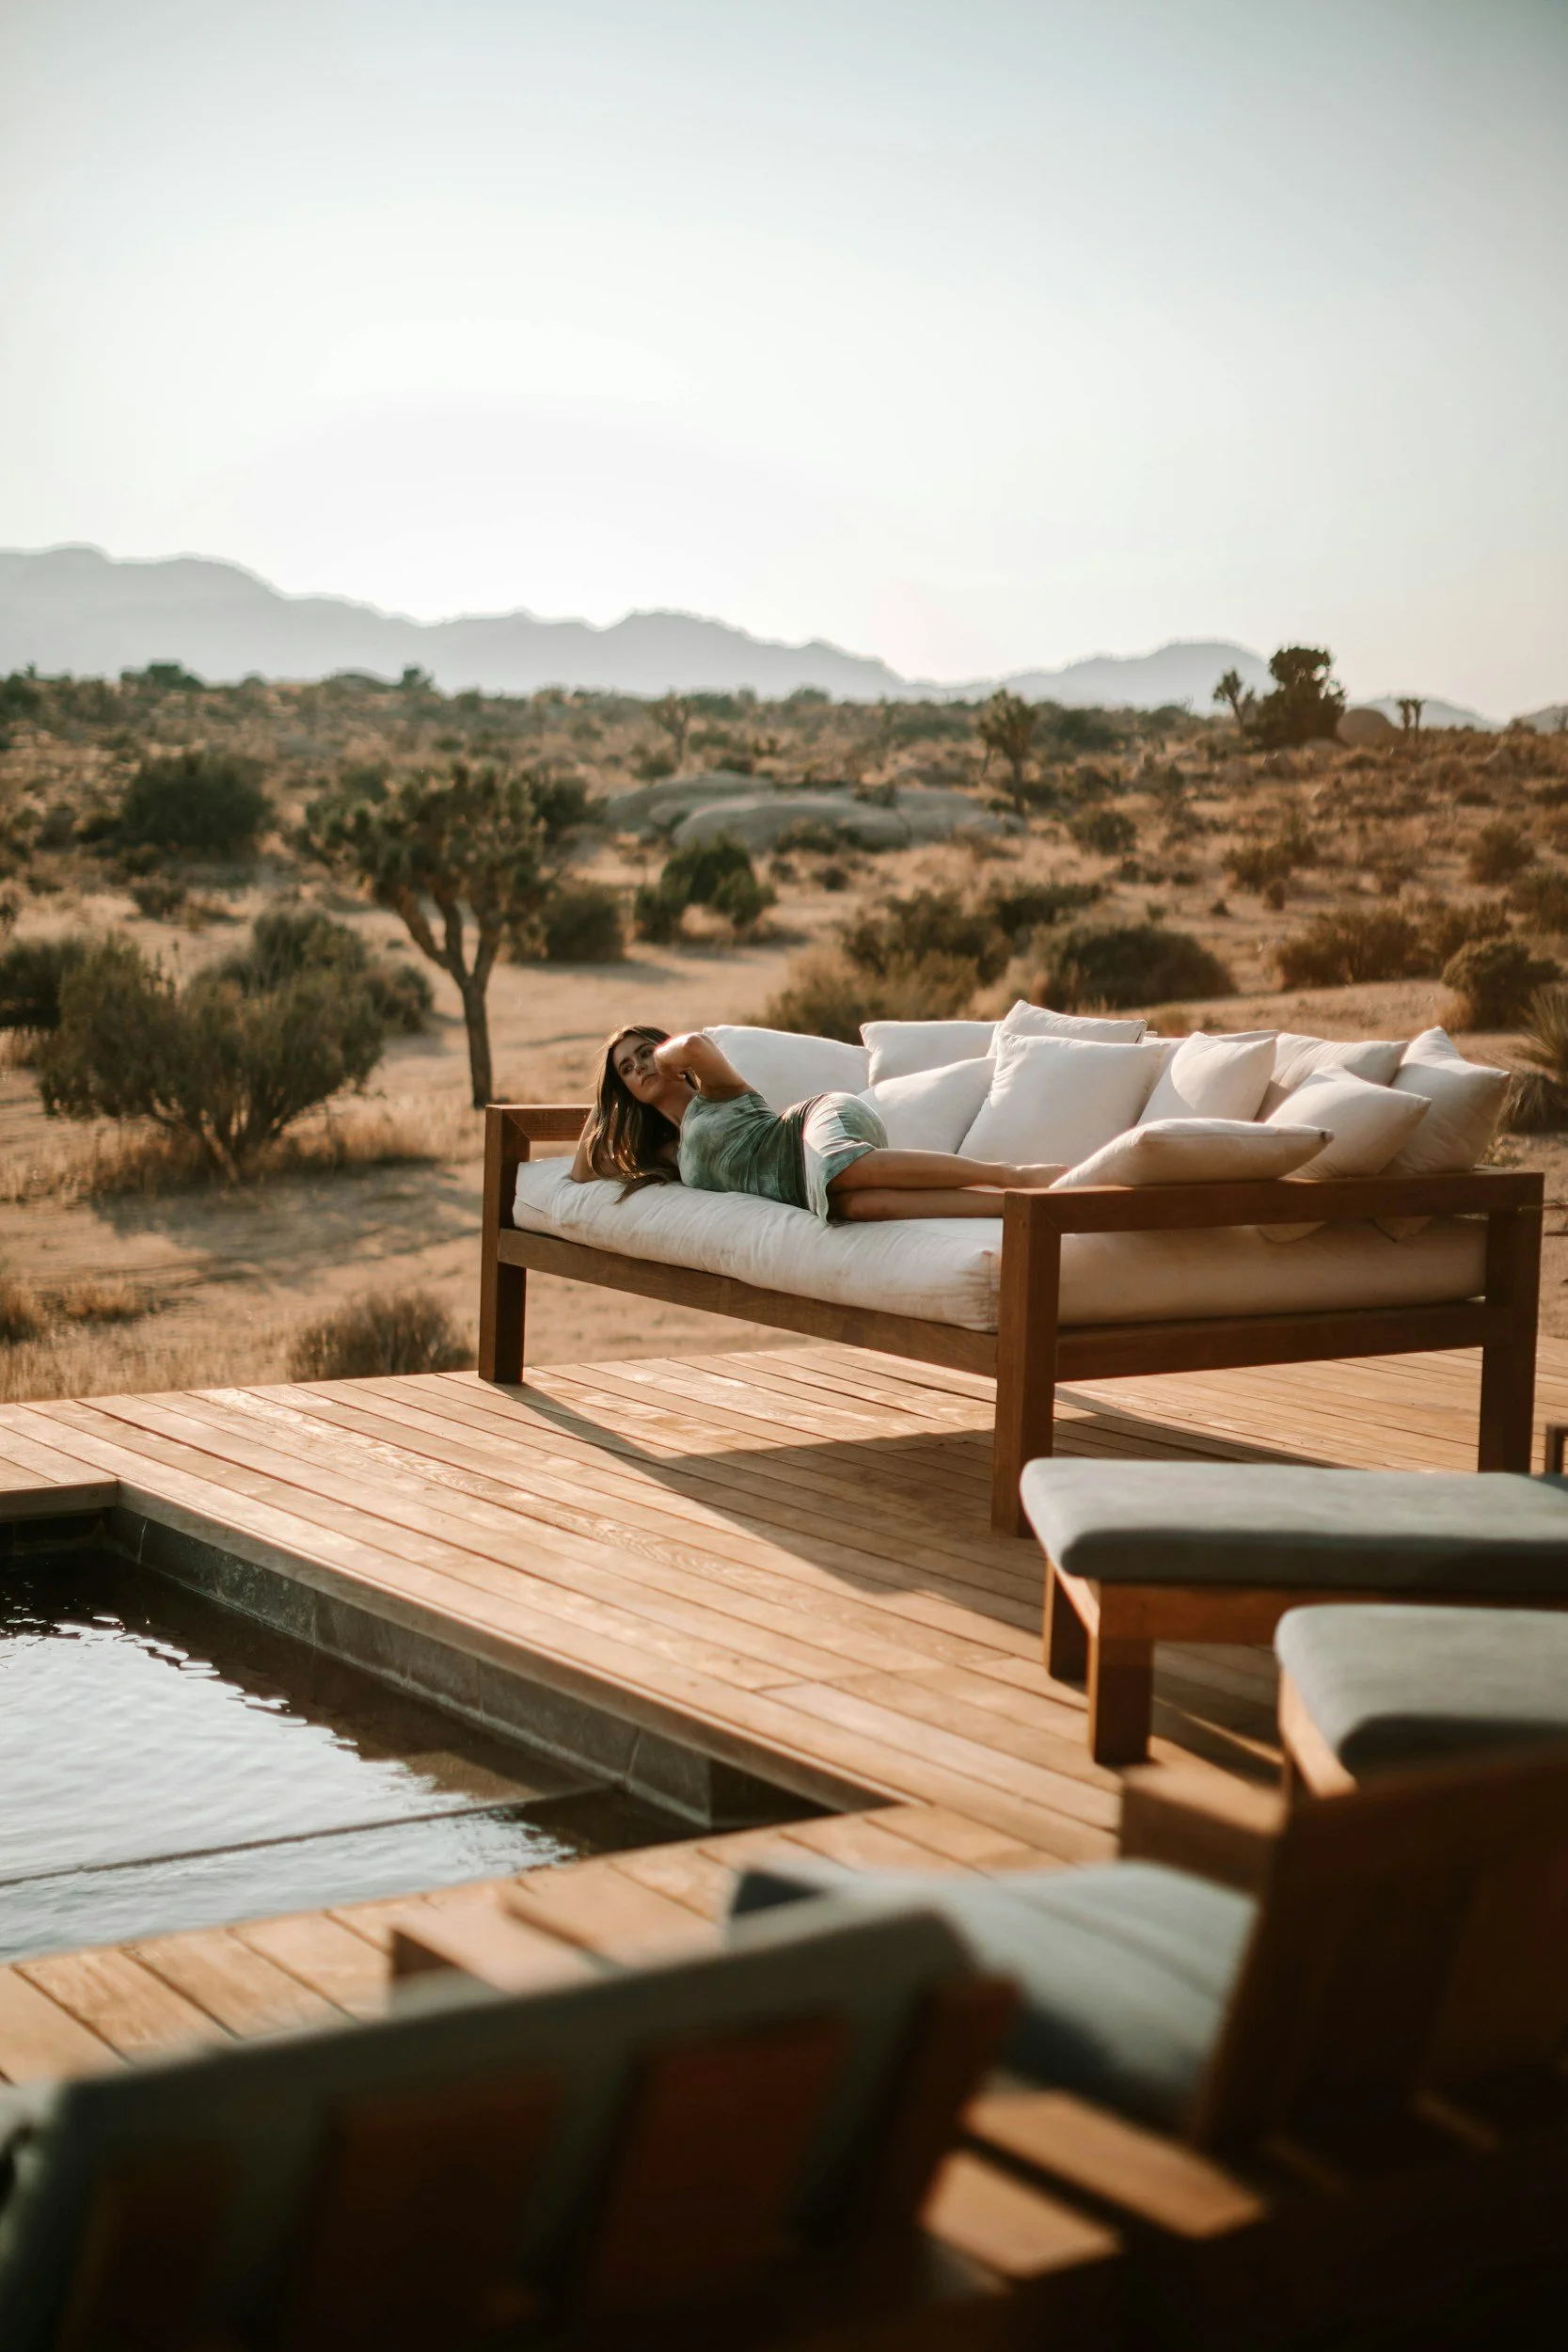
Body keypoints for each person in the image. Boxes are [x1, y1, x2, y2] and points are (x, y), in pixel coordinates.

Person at [570, 1025, 1065, 1221]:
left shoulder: (716, 1091)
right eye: (627, 1070)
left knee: (842, 1170)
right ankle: (1009, 1207)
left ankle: (1010, 1174)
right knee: (857, 1206)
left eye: (643, 1054)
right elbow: (584, 1170)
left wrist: (661, 1053)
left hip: (813, 1124)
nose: (640, 1068)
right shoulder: (669, 1153)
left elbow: (696, 1045)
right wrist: (608, 1100)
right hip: (800, 1184)